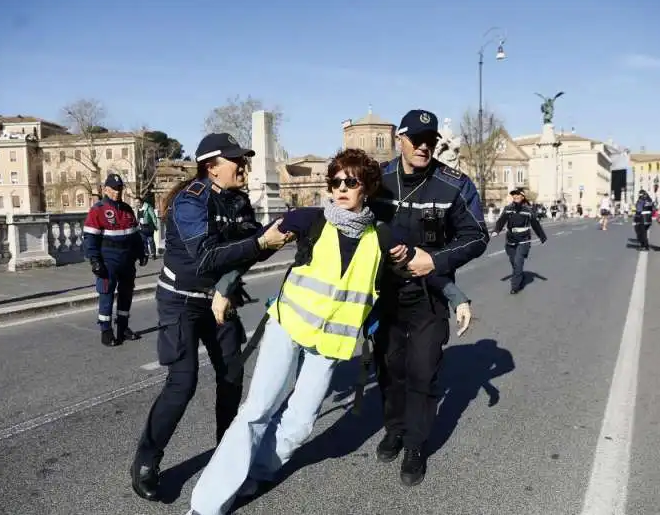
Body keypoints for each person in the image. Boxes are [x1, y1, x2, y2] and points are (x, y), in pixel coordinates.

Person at [186, 148, 474, 515]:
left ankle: (256, 473)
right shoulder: (309, 219)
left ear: (366, 188)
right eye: (335, 181)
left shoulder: (384, 236)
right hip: (288, 327)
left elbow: (424, 265)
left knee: (300, 422)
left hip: (331, 344)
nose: (341, 188)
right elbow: (258, 247)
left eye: (350, 182)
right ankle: (206, 505)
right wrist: (226, 286)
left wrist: (456, 296)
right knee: (257, 410)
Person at [130, 132, 292, 502]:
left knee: (232, 376)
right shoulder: (190, 201)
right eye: (236, 160)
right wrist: (260, 243)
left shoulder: (238, 200)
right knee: (182, 382)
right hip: (181, 302)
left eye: (244, 160)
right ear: (212, 167)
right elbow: (206, 256)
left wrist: (272, 239)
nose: (244, 166)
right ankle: (147, 459)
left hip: (221, 301)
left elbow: (251, 250)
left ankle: (227, 454)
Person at [369, 109, 489, 487]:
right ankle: (395, 428)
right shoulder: (379, 180)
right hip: (383, 295)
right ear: (400, 140)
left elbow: (477, 236)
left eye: (430, 140)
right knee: (390, 368)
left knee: (423, 371)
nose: (424, 146)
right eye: (416, 139)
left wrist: (433, 261)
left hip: (429, 294)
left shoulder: (455, 183)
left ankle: (416, 445)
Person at [83, 173, 147, 346]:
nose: (117, 192)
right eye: (113, 189)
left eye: (119, 188)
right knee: (107, 295)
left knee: (126, 295)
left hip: (127, 260)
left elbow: (135, 236)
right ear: (106, 189)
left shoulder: (127, 209)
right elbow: (90, 238)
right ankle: (106, 330)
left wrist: (142, 253)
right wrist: (95, 260)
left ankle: (123, 328)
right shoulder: (98, 210)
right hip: (108, 260)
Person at [492, 188, 548, 294]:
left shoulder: (528, 210)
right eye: (514, 195)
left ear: (522, 197)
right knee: (514, 262)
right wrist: (496, 230)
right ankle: (519, 275)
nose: (516, 196)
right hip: (510, 239)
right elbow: (501, 220)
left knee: (518, 262)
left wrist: (542, 237)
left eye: (518, 195)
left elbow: (535, 224)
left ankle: (515, 286)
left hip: (524, 240)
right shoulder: (508, 208)